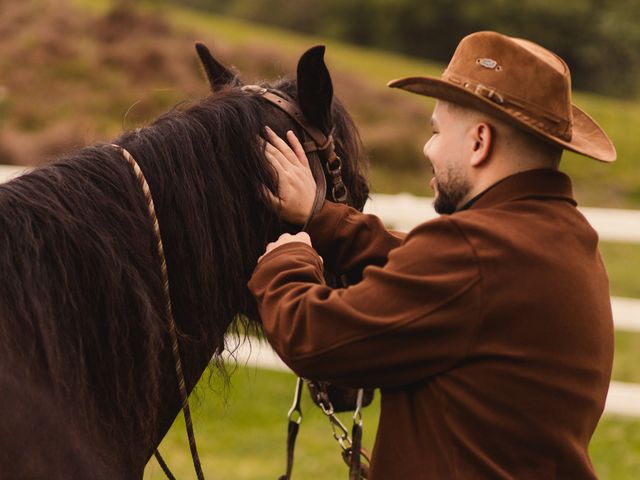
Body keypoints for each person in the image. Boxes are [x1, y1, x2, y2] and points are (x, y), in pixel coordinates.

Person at [248, 31, 616, 479]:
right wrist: (322, 217)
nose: (427, 148)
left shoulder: (474, 252)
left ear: (479, 142)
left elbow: (314, 338)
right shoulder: (561, 238)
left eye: (437, 131)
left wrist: (286, 260)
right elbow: (428, 267)